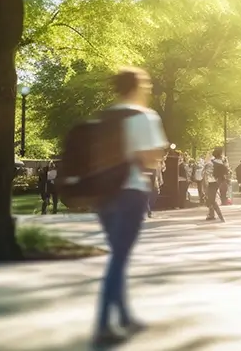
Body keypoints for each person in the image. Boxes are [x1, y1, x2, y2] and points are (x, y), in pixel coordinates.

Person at [93, 67, 167, 347]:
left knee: (118, 255)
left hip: (104, 195)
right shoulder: (144, 116)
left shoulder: (103, 117)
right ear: (138, 87)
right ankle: (103, 324)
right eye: (146, 84)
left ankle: (123, 316)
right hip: (130, 191)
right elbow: (149, 159)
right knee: (119, 258)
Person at [204, 149, 226, 222]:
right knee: (211, 199)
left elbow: (205, 172)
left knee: (212, 200)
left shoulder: (211, 162)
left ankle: (220, 217)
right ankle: (213, 215)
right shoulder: (221, 163)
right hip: (217, 182)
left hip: (212, 182)